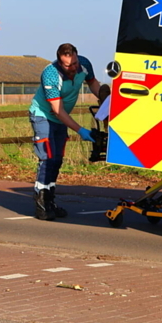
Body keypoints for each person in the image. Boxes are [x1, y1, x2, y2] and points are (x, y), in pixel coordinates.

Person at [29, 43, 101, 220]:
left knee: (58, 159)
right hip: (44, 115)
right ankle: (41, 204)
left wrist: (106, 100)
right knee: (48, 157)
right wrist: (80, 130)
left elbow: (93, 83)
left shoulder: (84, 64)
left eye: (74, 63)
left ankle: (50, 200)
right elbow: (57, 110)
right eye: (67, 65)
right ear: (60, 62)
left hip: (61, 118)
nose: (72, 68)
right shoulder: (51, 74)